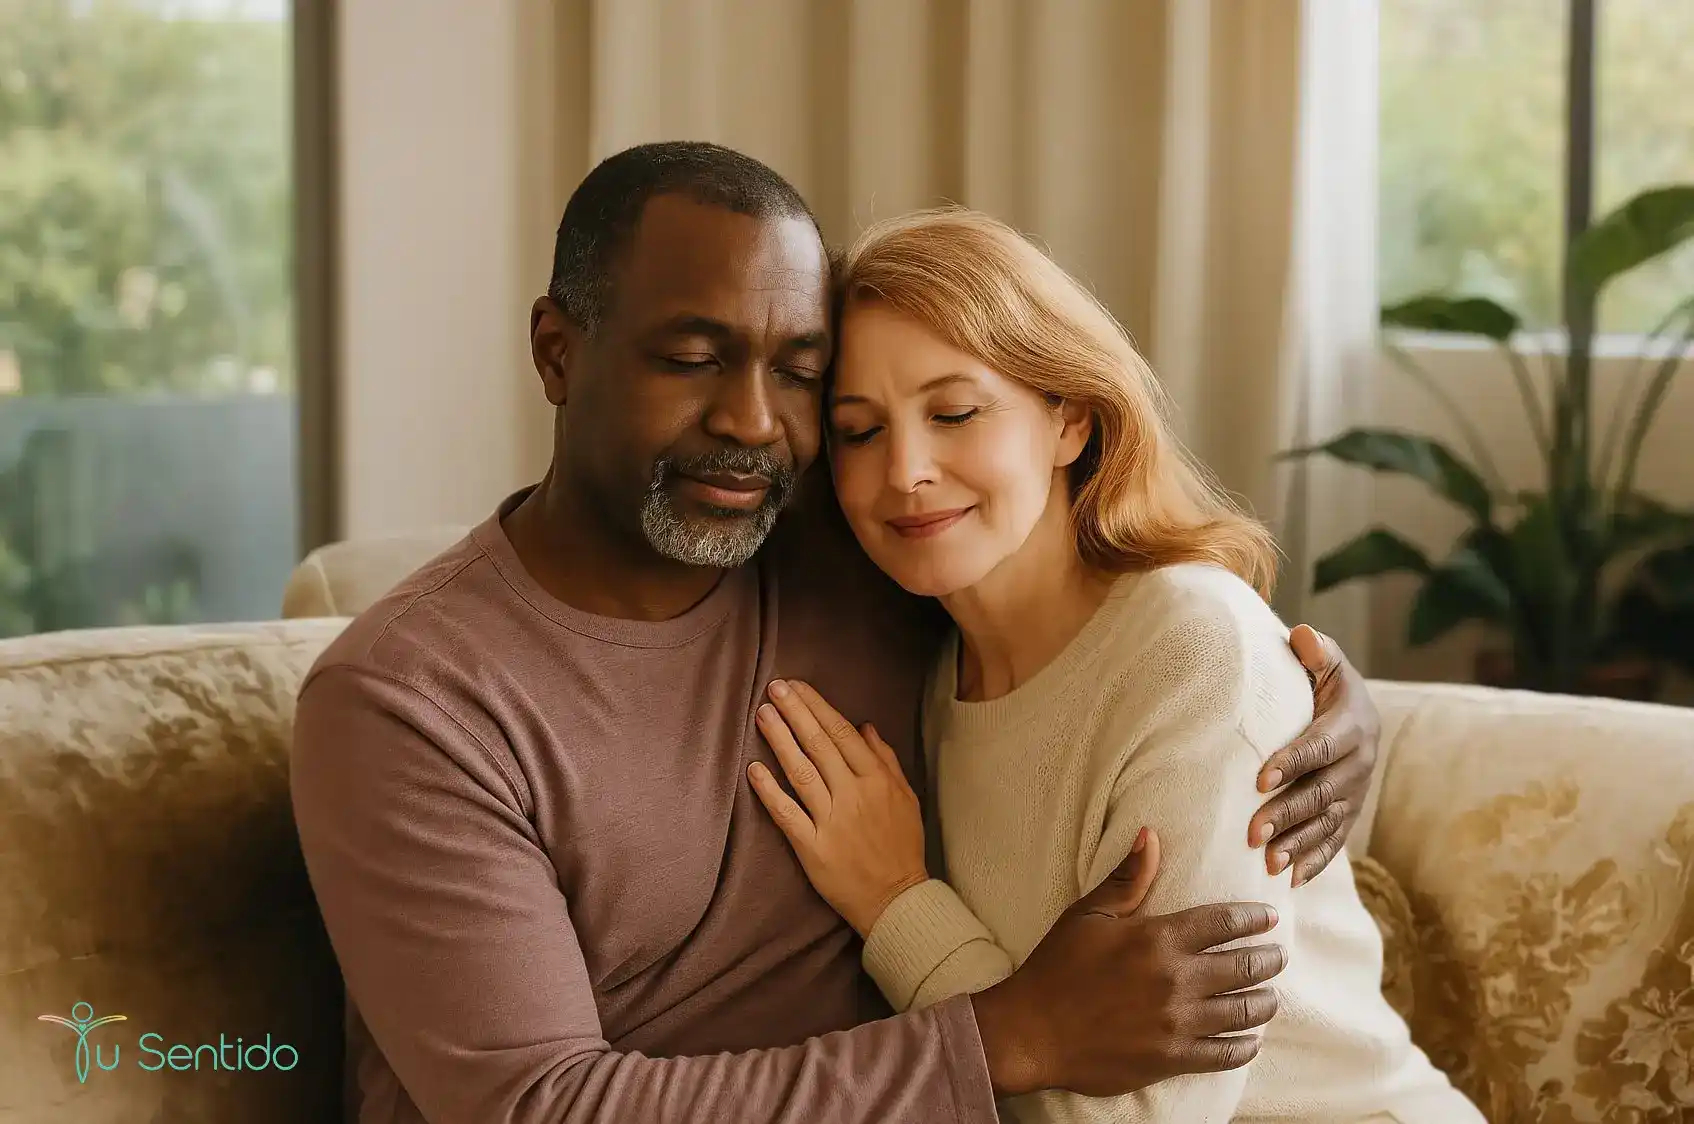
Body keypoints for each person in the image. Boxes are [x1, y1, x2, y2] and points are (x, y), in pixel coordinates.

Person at [289, 142, 1387, 1124]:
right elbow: (538, 1105)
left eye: (801, 376)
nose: (754, 421)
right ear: (556, 351)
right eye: (689, 356)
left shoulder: (858, 549)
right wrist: (1008, 1032)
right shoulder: (405, 699)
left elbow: (1127, 636)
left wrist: (1317, 695)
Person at [746, 207, 1483, 1123]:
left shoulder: (1192, 652)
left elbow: (1136, 1117)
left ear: (1072, 421)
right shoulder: (920, 660)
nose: (905, 470)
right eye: (859, 431)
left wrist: (897, 906)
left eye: (955, 412)